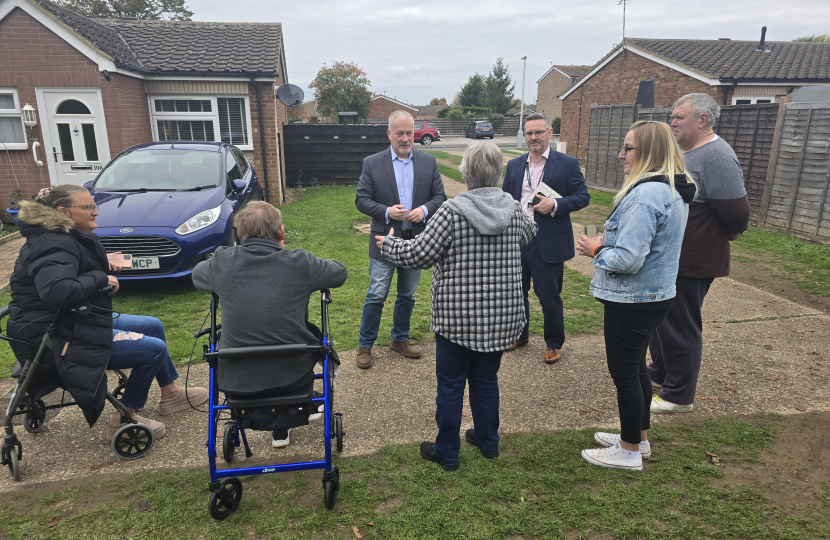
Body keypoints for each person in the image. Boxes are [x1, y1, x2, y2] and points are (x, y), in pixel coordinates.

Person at [377, 141, 537, 471]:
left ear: (466, 174)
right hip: (501, 316)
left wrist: (389, 243)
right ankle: (488, 441)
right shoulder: (512, 208)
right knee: (486, 379)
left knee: (451, 385)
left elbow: (417, 255)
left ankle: (447, 451)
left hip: (458, 319)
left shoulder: (451, 212)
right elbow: (530, 232)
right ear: (498, 173)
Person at [7, 185, 207, 441]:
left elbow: (70, 270)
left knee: (153, 325)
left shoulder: (65, 236)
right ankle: (125, 415)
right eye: (88, 207)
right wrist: (100, 276)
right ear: (63, 211)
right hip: (56, 337)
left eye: (94, 206)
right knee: (153, 349)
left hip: (75, 321)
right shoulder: (52, 244)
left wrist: (102, 264)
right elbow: (57, 291)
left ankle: (171, 393)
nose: (95, 213)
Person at [577, 121, 696, 470]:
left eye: (627, 148)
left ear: (647, 152)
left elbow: (627, 259)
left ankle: (627, 450)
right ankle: (638, 438)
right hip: (651, 298)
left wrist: (597, 247)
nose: (621, 154)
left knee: (625, 373)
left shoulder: (646, 196)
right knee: (637, 370)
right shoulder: (670, 189)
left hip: (632, 301)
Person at [192, 201, 348, 448]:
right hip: (294, 377)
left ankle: (280, 429)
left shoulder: (221, 263)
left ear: (239, 236)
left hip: (237, 379)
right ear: (281, 232)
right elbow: (340, 272)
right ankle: (286, 421)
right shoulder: (300, 263)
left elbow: (197, 275)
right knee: (299, 338)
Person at [647, 93, 750, 414]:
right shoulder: (683, 151)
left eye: (679, 117)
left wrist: (730, 232)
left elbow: (736, 212)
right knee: (661, 321)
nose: (672, 122)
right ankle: (662, 371)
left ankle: (679, 394)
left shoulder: (717, 156)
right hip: (670, 256)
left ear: (702, 120)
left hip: (693, 260)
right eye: (672, 116)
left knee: (680, 324)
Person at [354, 110, 447, 370]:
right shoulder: (373, 163)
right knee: (376, 294)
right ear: (389, 134)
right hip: (384, 240)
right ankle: (365, 345)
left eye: (409, 133)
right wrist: (386, 211)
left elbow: (440, 197)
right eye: (400, 134)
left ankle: (400, 339)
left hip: (415, 242)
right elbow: (361, 199)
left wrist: (425, 210)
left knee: (407, 295)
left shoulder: (428, 162)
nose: (405, 139)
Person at [502, 112, 590, 364]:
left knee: (548, 295)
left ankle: (554, 343)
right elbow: (507, 198)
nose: (533, 137)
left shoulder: (567, 164)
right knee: (516, 292)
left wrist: (554, 204)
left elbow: (582, 197)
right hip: (518, 241)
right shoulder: (515, 165)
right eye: (529, 133)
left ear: (550, 133)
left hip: (547, 241)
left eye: (538, 132)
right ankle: (520, 334)